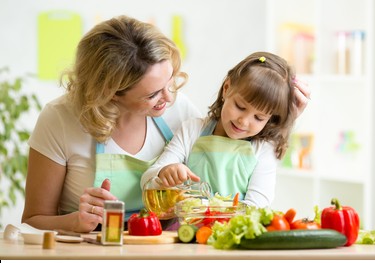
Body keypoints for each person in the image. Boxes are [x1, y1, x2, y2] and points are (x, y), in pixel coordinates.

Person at [22, 16, 311, 233]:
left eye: (170, 81)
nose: (169, 97)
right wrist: (74, 221)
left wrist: (285, 118)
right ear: (109, 92)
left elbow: (238, 144)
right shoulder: (60, 119)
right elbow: (32, 220)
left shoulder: (180, 110)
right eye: (152, 94)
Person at [141, 51, 299, 208]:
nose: (243, 122)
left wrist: (215, 214)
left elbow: (256, 204)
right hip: (188, 231)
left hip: (233, 231)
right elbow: (147, 180)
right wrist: (164, 172)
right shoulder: (192, 130)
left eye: (259, 118)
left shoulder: (264, 148)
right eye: (240, 107)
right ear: (227, 88)